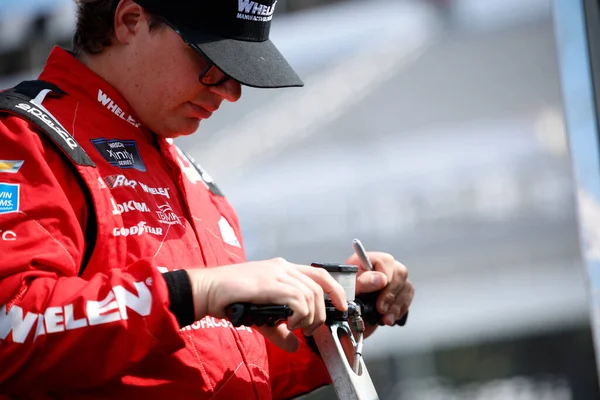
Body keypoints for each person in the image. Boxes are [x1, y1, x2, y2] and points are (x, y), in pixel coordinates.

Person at [0, 0, 414, 399]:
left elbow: (210, 364)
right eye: (210, 61)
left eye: (240, 69)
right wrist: (195, 291)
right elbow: (10, 328)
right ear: (129, 21)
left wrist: (340, 320)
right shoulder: (24, 140)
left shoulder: (188, 169)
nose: (231, 92)